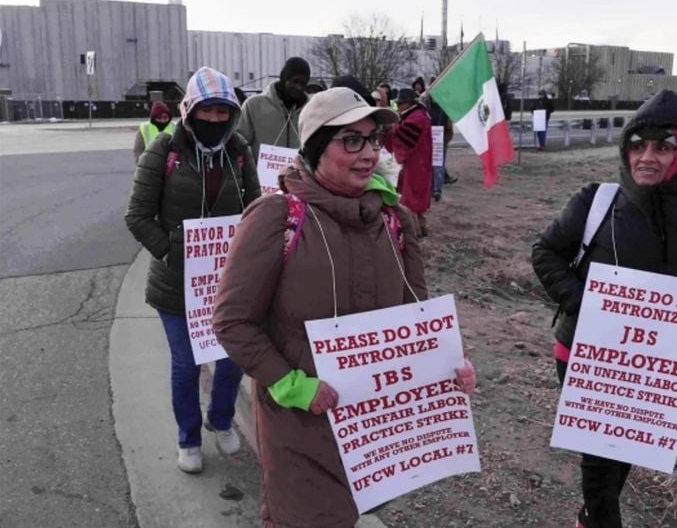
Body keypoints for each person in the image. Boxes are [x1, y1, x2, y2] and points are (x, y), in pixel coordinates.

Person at [211, 86, 477, 527]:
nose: (369, 153)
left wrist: (450, 364)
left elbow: (416, 317)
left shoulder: (394, 219)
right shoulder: (277, 218)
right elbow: (232, 322)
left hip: (373, 428)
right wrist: (293, 385)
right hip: (300, 424)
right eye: (351, 140)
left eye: (373, 139)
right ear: (315, 149)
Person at [531, 89, 677, 528]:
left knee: (626, 451)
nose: (648, 157)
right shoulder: (597, 201)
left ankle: (588, 518)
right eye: (638, 145)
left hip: (655, 365)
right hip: (584, 354)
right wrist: (581, 302)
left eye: (663, 147)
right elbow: (546, 251)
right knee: (600, 461)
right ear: (626, 148)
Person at [125, 66, 261, 474]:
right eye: (207, 112)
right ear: (190, 110)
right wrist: (172, 252)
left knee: (232, 358)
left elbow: (254, 208)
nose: (214, 121)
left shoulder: (239, 151)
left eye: (223, 113)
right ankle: (188, 437)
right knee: (186, 364)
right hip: (175, 285)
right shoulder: (162, 151)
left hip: (227, 284)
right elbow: (137, 216)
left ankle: (220, 418)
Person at [237, 56, 311, 161]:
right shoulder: (254, 105)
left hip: (298, 175)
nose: (298, 87)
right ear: (284, 78)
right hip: (260, 174)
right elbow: (240, 141)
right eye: (294, 81)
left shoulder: (311, 109)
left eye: (303, 84)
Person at [385, 87, 433, 237]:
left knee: (410, 197)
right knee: (416, 198)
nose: (399, 107)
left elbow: (403, 137)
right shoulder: (420, 114)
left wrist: (390, 129)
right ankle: (422, 226)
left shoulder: (416, 118)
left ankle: (414, 231)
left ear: (409, 103)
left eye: (401, 104)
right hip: (420, 162)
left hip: (415, 163)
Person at [425, 78, 454, 201]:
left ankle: (437, 190)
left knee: (438, 166)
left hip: (440, 141)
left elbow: (449, 128)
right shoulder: (426, 107)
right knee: (428, 166)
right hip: (427, 141)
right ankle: (430, 187)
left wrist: (445, 141)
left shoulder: (444, 108)